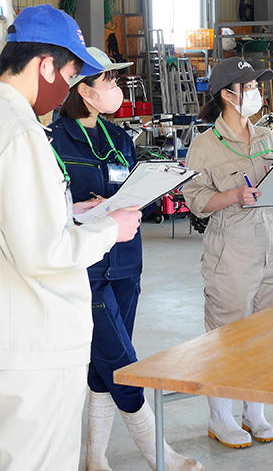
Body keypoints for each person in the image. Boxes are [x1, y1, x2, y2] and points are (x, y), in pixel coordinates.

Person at [0, 5, 143, 470]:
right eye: (71, 74)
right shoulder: (18, 132)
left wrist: (65, 212)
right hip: (31, 342)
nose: (68, 88)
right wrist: (112, 228)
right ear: (46, 65)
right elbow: (44, 253)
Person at [49, 47, 202, 471]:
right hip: (86, 268)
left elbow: (137, 196)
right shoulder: (52, 142)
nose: (117, 89)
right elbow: (47, 206)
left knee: (105, 363)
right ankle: (159, 454)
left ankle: (95, 458)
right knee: (121, 359)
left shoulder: (119, 140)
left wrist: (156, 190)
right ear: (85, 91)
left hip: (127, 263)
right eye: (110, 82)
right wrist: (81, 208)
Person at [181, 57, 273, 449]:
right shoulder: (204, 146)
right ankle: (220, 416)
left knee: (269, 334)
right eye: (249, 86)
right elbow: (194, 199)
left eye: (256, 86)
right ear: (227, 94)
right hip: (231, 253)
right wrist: (234, 195)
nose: (256, 92)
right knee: (226, 336)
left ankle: (255, 411)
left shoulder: (272, 139)